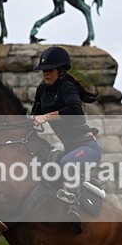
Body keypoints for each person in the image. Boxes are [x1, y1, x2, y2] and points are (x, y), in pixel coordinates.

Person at [30, 47, 101, 234]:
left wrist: (46, 117)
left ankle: (73, 209)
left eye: (50, 70)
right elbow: (34, 115)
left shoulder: (66, 86)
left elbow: (74, 110)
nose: (46, 74)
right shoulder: (42, 90)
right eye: (44, 70)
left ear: (60, 70)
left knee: (67, 162)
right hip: (69, 148)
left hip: (88, 147)